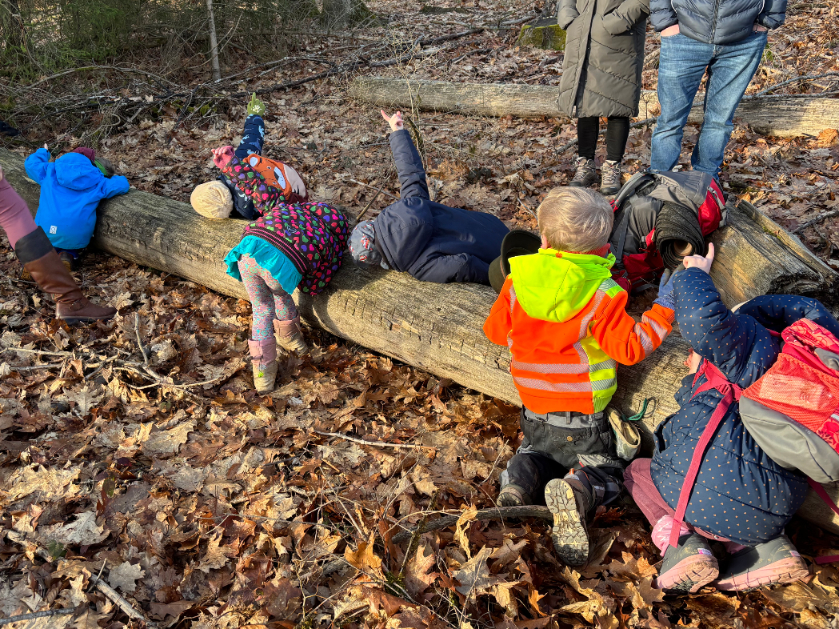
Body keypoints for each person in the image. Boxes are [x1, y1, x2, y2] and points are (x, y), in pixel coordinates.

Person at [483, 186, 676, 566]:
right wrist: (664, 308)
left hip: (534, 412)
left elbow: (494, 332)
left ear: (543, 238)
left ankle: (518, 483)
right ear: (604, 249)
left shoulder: (517, 280)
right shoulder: (602, 292)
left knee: (536, 452)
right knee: (608, 469)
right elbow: (631, 348)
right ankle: (578, 488)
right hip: (584, 419)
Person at [623, 243, 829, 593]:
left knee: (636, 473)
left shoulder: (754, 342)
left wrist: (694, 274)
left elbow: (702, 320)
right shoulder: (816, 369)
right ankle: (768, 549)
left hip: (701, 498)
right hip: (773, 512)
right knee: (747, 482)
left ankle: (682, 546)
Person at [219, 159, 349, 394]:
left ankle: (262, 373)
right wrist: (309, 286)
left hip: (247, 252)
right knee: (279, 295)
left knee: (261, 307)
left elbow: (256, 186)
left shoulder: (286, 207)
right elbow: (319, 279)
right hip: (277, 266)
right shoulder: (330, 237)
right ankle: (289, 340)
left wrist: (231, 165)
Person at [347, 111, 509, 285]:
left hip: (500, 258)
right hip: (494, 226)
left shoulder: (419, 266)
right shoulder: (410, 205)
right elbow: (409, 172)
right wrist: (397, 132)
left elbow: (463, 265)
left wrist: (500, 279)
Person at [649, 0, 787, 177]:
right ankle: (659, 180)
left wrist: (768, 19)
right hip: (683, 34)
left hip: (744, 40)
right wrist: (665, 21)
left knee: (719, 121)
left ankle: (706, 182)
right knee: (670, 120)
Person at [0, 166, 116, 323]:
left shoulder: (53, 169)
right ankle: (71, 302)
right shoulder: (95, 176)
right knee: (13, 214)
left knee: (12, 212)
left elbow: (33, 164)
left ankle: (71, 301)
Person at [557, 0, 650, 194]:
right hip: (582, 31)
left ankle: (612, 168)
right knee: (585, 102)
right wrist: (568, 16)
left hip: (620, 37)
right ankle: (585, 166)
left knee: (618, 103)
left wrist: (616, 21)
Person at [190, 94, 307, 220]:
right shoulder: (238, 165)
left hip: (297, 207)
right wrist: (254, 116)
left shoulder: (251, 218)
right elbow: (252, 138)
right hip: (288, 179)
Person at [24, 145, 130, 271]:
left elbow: (31, 164)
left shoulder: (51, 170)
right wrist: (113, 176)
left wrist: (43, 152)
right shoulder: (98, 180)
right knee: (70, 244)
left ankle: (37, 260)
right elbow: (123, 185)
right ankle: (67, 255)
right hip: (76, 232)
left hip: (46, 228)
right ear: (92, 162)